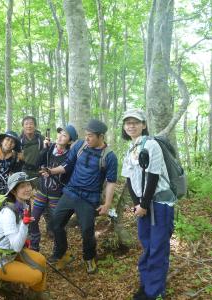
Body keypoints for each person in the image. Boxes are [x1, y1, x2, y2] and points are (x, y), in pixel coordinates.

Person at [41, 119, 118, 274]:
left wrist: (107, 204)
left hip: (89, 199)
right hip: (70, 192)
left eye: (90, 135)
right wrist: (51, 171)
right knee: (55, 224)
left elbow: (111, 182)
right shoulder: (80, 145)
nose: (87, 138)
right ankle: (62, 254)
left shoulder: (109, 157)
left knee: (87, 231)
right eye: (86, 135)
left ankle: (89, 258)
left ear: (101, 136)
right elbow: (67, 165)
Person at [121, 109, 175, 300]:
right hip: (143, 206)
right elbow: (128, 178)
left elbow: (153, 176)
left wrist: (143, 204)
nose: (131, 125)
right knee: (147, 245)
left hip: (159, 203)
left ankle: (155, 293)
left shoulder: (151, 144)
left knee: (158, 247)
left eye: (135, 122)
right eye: (127, 122)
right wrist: (137, 204)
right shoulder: (130, 148)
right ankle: (146, 286)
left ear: (143, 125)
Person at [0, 172, 49, 299]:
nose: (27, 189)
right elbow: (16, 246)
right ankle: (13, 289)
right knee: (36, 275)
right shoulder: (7, 213)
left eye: (28, 185)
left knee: (41, 260)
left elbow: (18, 240)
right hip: (0, 262)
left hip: (12, 254)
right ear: (14, 191)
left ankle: (37, 294)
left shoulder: (23, 205)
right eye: (22, 187)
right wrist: (24, 225)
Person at [29, 125, 78, 252]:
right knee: (33, 219)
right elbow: (37, 164)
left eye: (64, 135)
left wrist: (51, 171)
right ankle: (34, 247)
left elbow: (67, 171)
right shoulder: (50, 148)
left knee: (57, 223)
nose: (60, 137)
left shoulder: (71, 155)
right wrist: (44, 149)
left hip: (57, 194)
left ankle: (59, 251)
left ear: (70, 140)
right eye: (60, 134)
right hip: (42, 190)